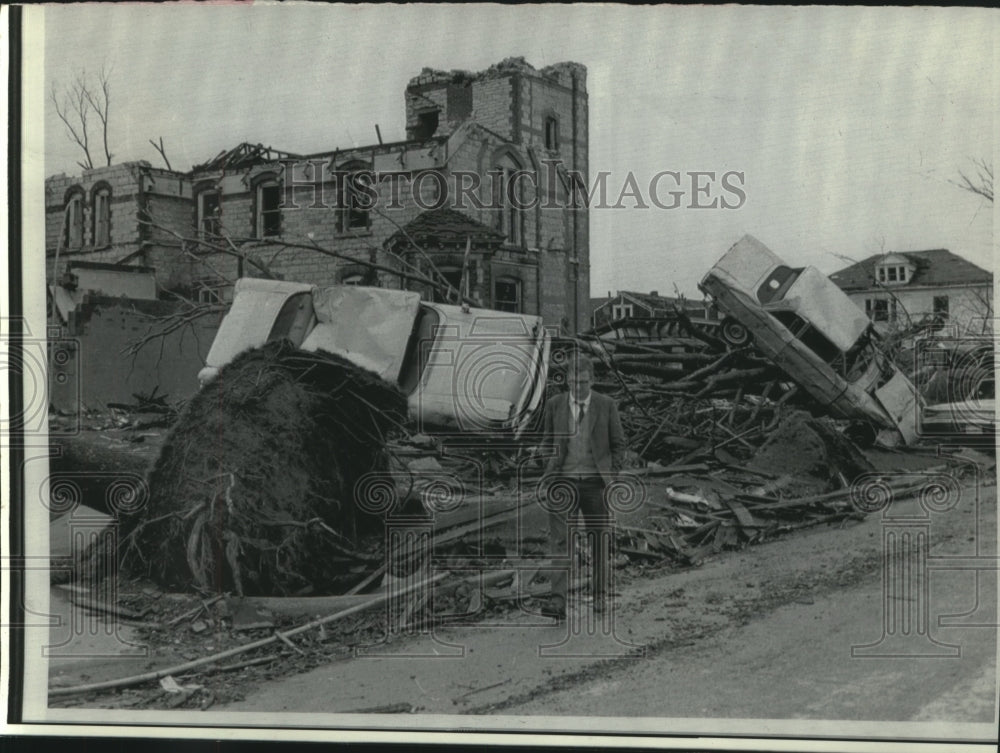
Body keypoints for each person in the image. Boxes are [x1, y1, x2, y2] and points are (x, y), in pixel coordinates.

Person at [540, 354, 625, 620]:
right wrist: (549, 464)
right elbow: (547, 441)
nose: (578, 388)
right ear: (567, 380)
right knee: (560, 541)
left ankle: (599, 595)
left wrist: (610, 473)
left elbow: (618, 444)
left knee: (598, 540)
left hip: (594, 484)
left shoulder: (606, 405)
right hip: (562, 483)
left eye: (584, 382)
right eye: (574, 382)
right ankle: (557, 602)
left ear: (592, 380)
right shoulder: (554, 405)